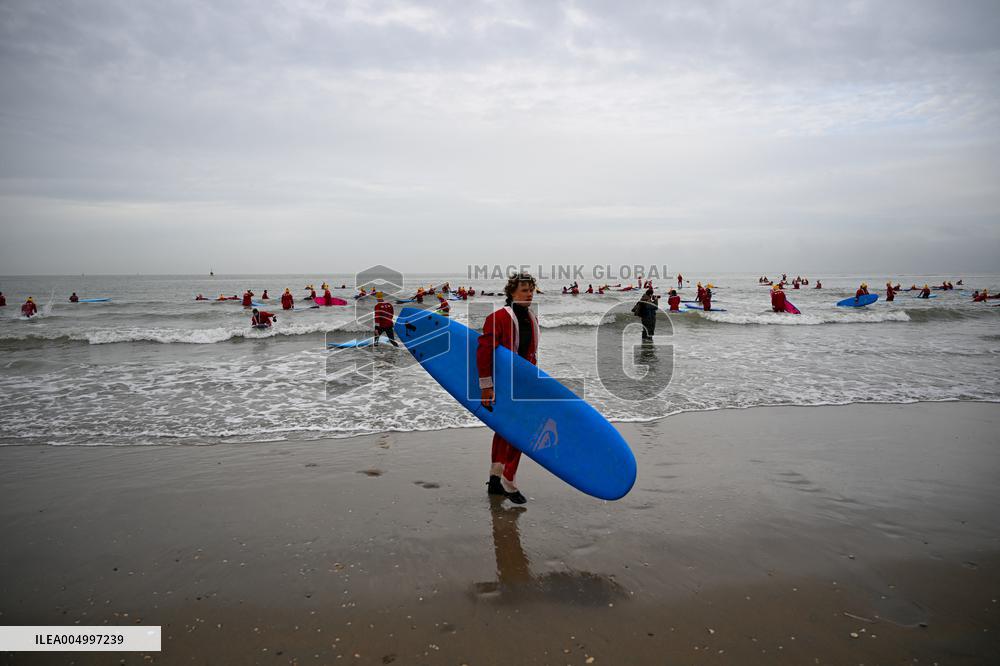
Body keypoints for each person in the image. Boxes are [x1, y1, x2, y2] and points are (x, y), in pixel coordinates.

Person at [477, 273, 538, 504]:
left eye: (531, 289)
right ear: (512, 292)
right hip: (504, 385)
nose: (529, 293)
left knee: (505, 430)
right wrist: (486, 387)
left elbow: (530, 353)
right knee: (516, 432)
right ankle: (508, 481)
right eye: (524, 290)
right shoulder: (498, 318)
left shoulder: (531, 317)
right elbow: (484, 352)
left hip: (523, 384)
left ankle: (495, 479)